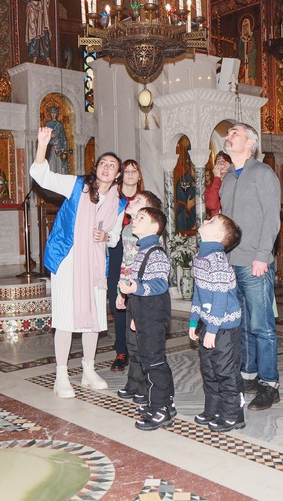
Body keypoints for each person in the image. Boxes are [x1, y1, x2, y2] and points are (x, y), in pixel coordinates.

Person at [29, 127, 126, 398]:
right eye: (103, 163)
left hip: (95, 265)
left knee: (94, 319)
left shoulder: (119, 204)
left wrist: (106, 236)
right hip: (68, 259)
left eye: (112, 165)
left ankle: (88, 370)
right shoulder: (76, 185)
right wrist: (42, 145)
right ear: (96, 168)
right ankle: (61, 375)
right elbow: (41, 176)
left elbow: (115, 237)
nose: (106, 168)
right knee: (65, 317)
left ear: (117, 175)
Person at [219, 122, 281, 411]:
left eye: (235, 133)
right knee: (242, 324)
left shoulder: (263, 173)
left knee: (262, 326)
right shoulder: (229, 177)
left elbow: (271, 218)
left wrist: (262, 255)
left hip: (255, 262)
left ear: (250, 144)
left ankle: (270, 384)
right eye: (229, 133)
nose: (228, 136)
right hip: (232, 262)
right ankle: (249, 375)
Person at [119, 207, 174, 431]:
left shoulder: (156, 254)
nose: (135, 220)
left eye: (141, 218)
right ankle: (166, 402)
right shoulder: (143, 250)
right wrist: (135, 314)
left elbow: (160, 284)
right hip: (144, 315)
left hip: (153, 315)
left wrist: (136, 288)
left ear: (154, 227)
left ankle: (160, 409)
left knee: (153, 363)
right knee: (152, 359)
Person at [189, 213, 245, 432]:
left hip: (225, 327)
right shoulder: (200, 257)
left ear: (219, 235)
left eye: (211, 221)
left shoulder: (218, 260)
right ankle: (213, 409)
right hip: (210, 324)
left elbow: (220, 298)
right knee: (209, 369)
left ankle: (233, 415)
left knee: (225, 371)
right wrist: (194, 322)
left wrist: (212, 329)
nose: (205, 221)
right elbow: (198, 293)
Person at [115, 191, 163, 402]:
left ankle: (146, 386)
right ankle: (134, 382)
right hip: (131, 292)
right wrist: (121, 291)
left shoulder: (151, 237)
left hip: (146, 294)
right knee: (131, 341)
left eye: (138, 201)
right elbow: (125, 263)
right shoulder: (128, 230)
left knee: (144, 343)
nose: (132, 201)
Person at [107, 160, 145, 372]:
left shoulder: (144, 199)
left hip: (138, 249)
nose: (130, 174)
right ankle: (121, 351)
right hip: (117, 250)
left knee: (138, 300)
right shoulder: (113, 198)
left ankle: (139, 346)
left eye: (134, 171)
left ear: (139, 175)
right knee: (118, 301)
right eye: (126, 171)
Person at [21, 0, 51, 64]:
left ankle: (45, 55)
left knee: (43, 30)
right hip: (32, 7)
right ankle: (34, 54)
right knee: (33, 29)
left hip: (41, 7)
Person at [203, 152, 231, 217]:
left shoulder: (236, 182)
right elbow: (211, 205)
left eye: (225, 161)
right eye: (219, 161)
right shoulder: (211, 187)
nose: (222, 163)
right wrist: (217, 178)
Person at [44, 106, 69, 174]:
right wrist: (51, 136)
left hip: (59, 148)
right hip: (51, 147)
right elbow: (45, 137)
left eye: (54, 112)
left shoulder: (59, 125)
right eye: (51, 112)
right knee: (51, 164)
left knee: (59, 165)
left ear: (57, 113)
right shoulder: (47, 124)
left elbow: (63, 137)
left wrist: (63, 148)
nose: (53, 114)